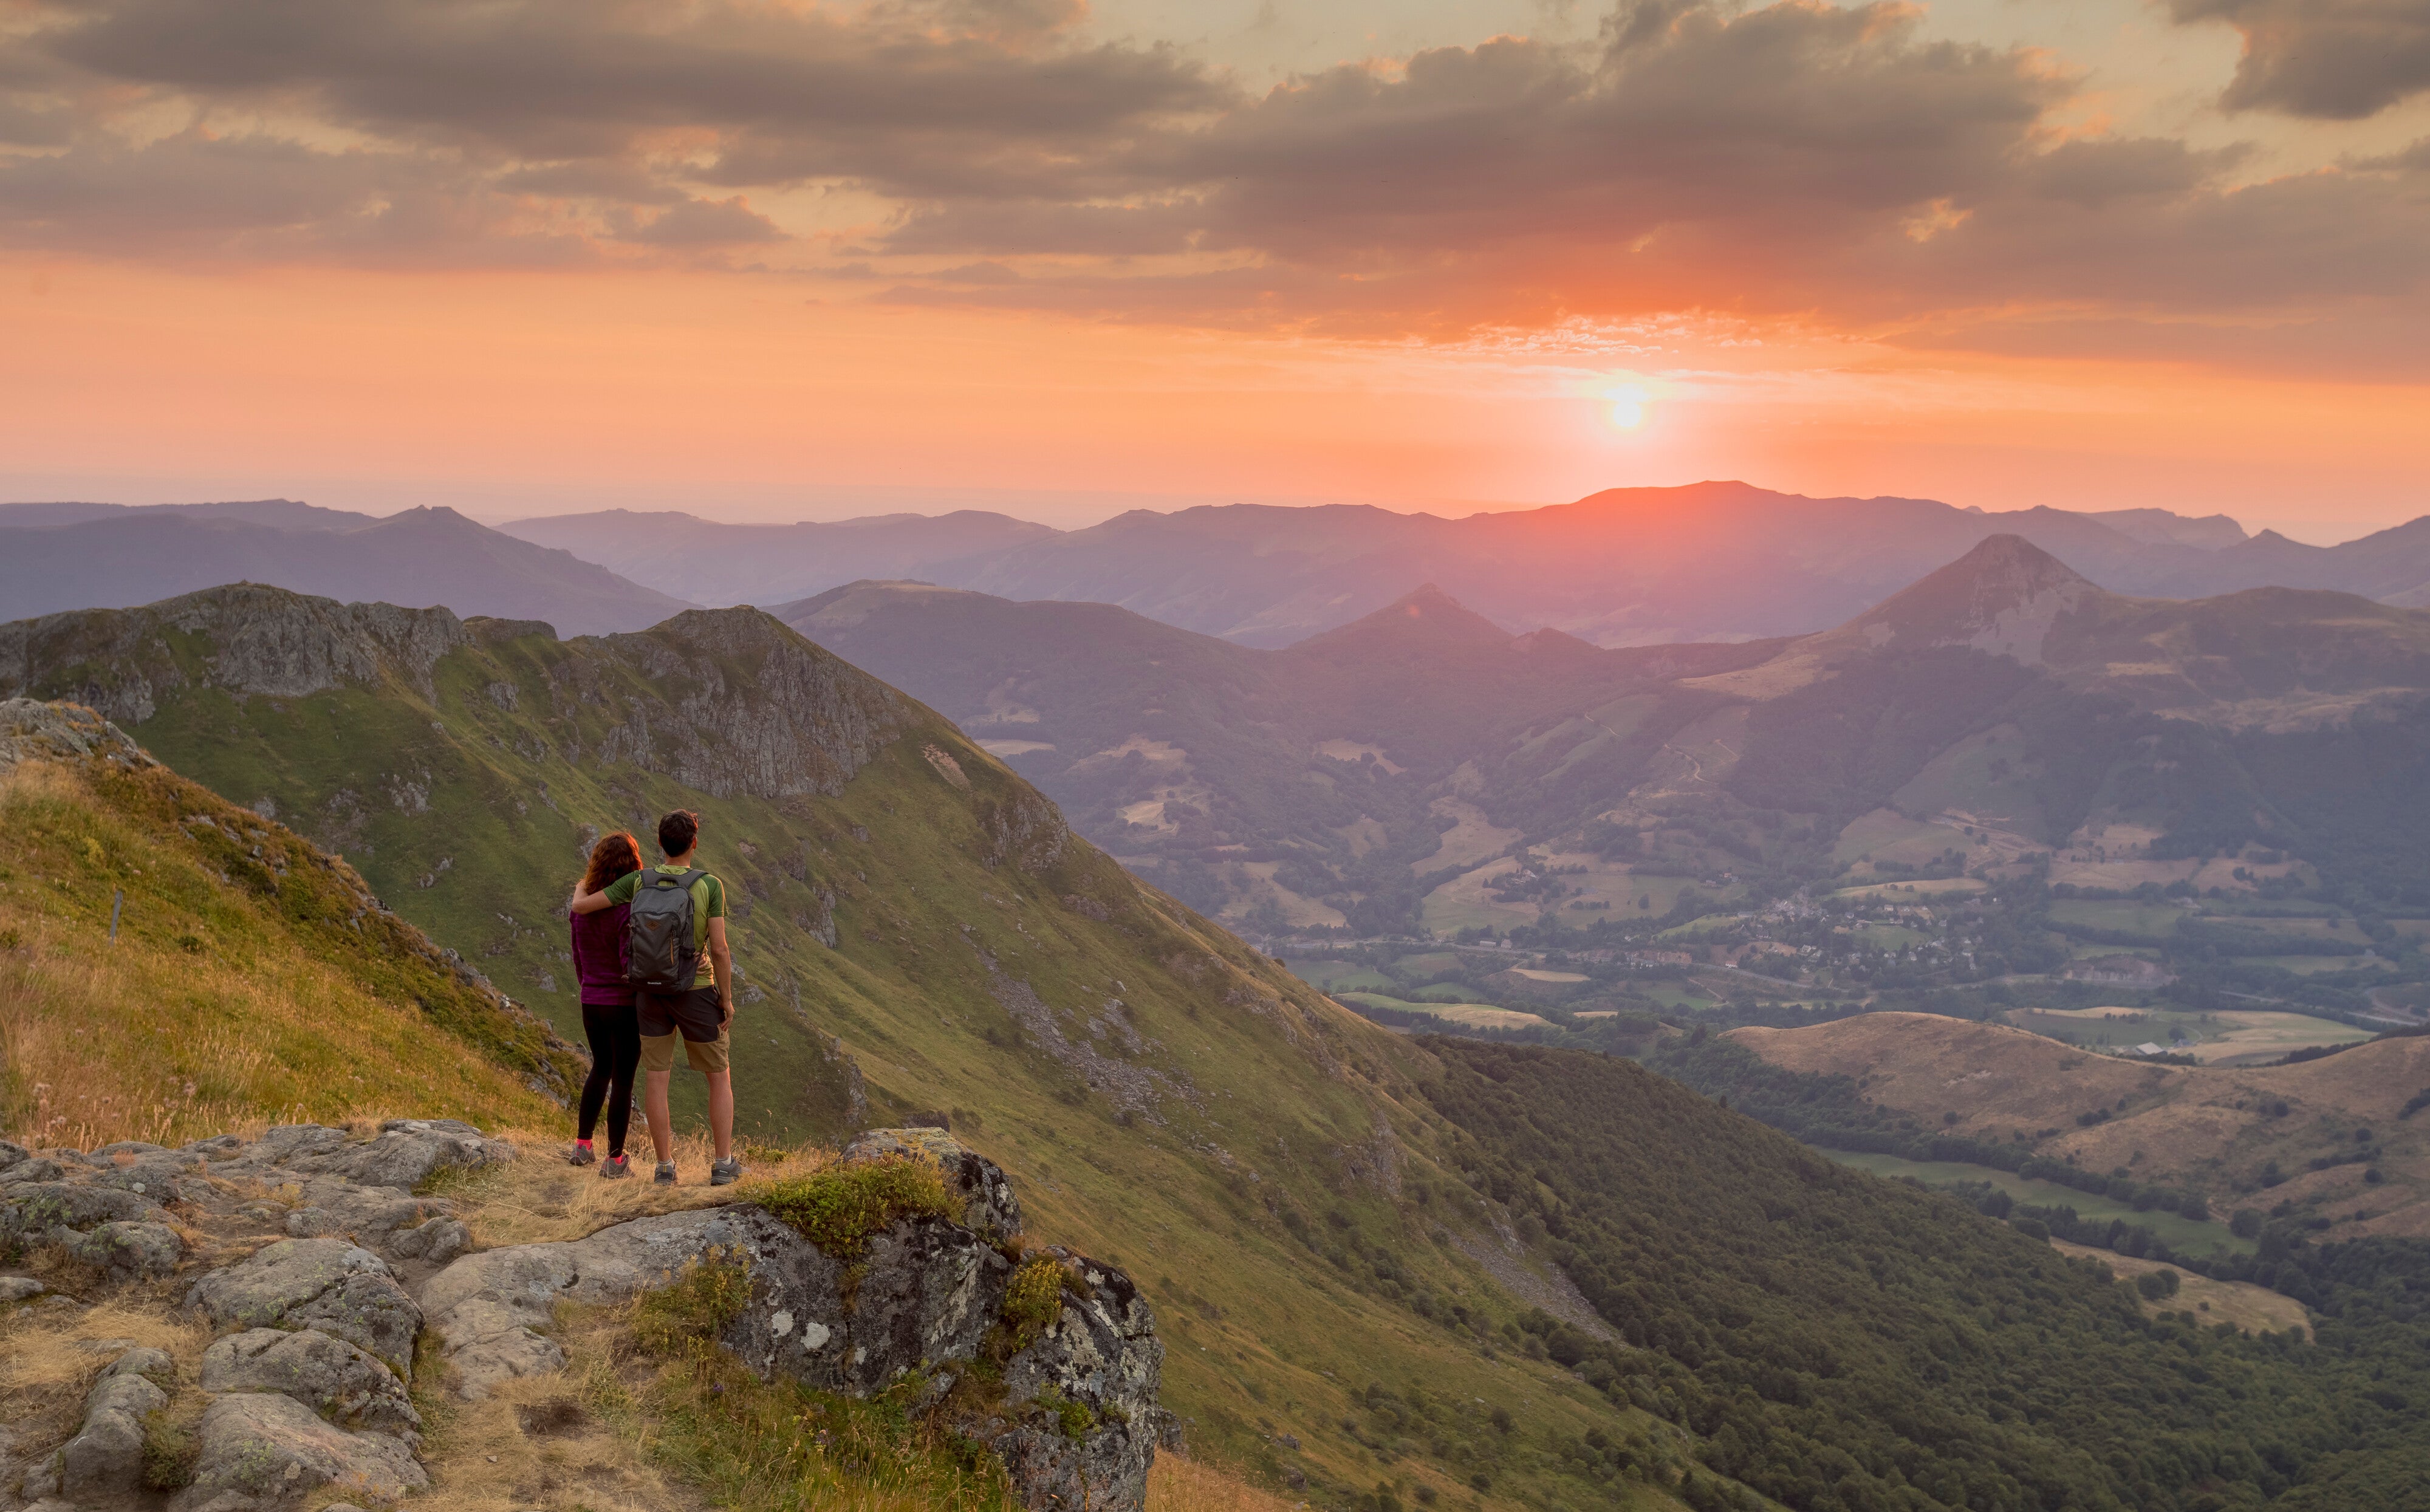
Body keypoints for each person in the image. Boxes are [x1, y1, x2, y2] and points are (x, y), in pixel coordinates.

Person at [570, 809, 739, 1186]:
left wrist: (582, 884)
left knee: (656, 1079)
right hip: (695, 990)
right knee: (718, 1075)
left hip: (648, 995)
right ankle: (722, 1163)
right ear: (694, 843)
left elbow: (582, 907)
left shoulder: (637, 881)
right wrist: (726, 1000)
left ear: (660, 844)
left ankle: (664, 1168)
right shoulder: (710, 885)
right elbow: (721, 949)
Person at [567, 830, 643, 1178]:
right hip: (622, 1003)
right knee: (623, 1079)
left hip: (591, 999)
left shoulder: (581, 910)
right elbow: (629, 963)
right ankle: (615, 1161)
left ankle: (583, 1145)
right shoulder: (627, 910)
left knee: (600, 1068)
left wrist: (587, 987)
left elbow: (578, 957)